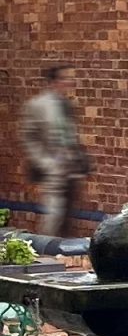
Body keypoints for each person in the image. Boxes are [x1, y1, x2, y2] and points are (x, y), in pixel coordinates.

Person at [19, 67, 83, 241]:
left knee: (68, 211)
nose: (69, 82)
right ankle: (44, 247)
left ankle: (62, 250)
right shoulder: (37, 105)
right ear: (54, 82)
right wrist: (44, 161)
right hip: (52, 165)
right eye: (65, 79)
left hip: (70, 164)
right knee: (55, 210)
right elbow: (29, 137)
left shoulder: (67, 104)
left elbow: (69, 134)